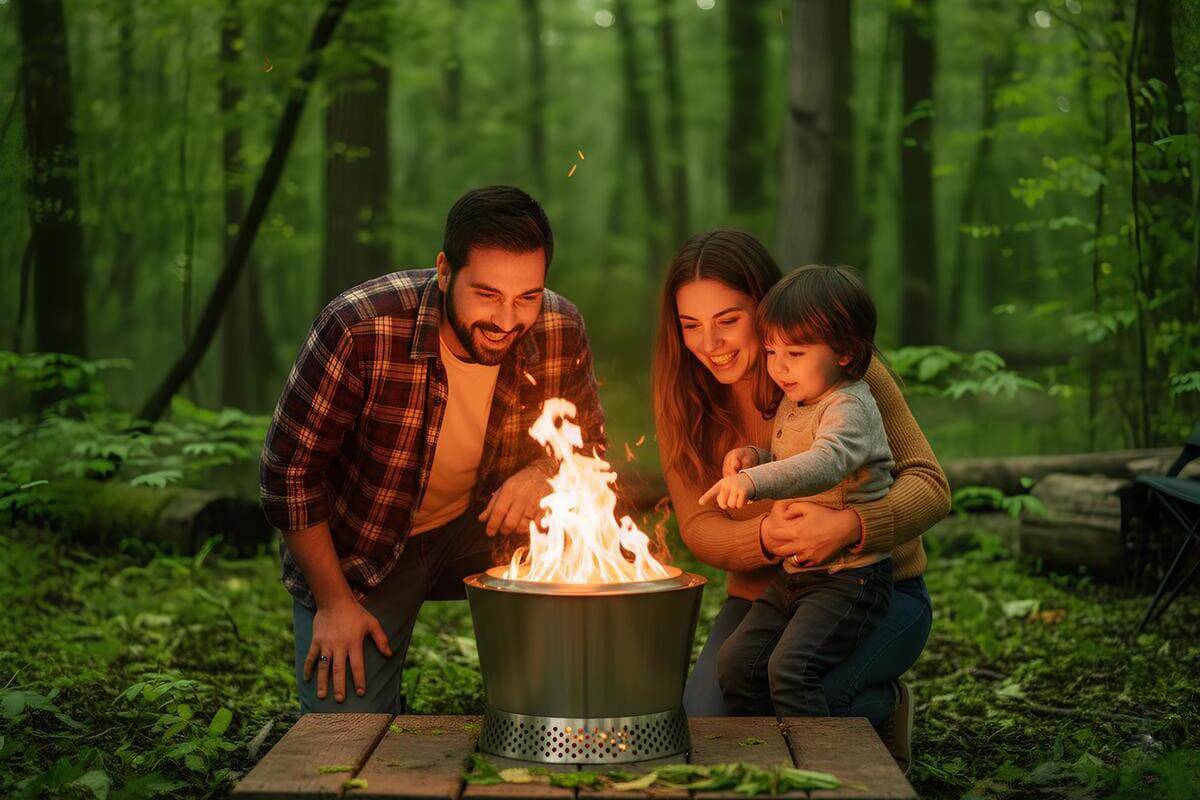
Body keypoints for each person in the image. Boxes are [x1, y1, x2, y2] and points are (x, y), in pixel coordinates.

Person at [260, 185, 604, 714]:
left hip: (486, 528)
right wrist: (332, 602)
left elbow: (590, 446)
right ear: (444, 272)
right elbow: (287, 474)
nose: (507, 319)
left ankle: (550, 693)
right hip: (366, 546)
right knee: (344, 734)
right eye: (487, 294)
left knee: (585, 547)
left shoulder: (560, 327)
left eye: (527, 297)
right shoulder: (360, 327)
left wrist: (544, 472)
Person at [651, 229, 950, 772]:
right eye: (690, 325)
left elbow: (930, 485)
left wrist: (852, 526)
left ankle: (880, 708)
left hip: (871, 586)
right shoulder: (682, 391)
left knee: (805, 697)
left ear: (764, 309)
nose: (709, 343)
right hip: (771, 595)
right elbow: (698, 527)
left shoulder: (838, 367)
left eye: (728, 320)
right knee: (712, 721)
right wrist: (766, 537)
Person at [700, 265, 895, 719]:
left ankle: (816, 755)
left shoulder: (849, 405)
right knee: (737, 664)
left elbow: (827, 463)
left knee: (791, 669)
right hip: (795, 574)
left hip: (850, 579)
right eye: (772, 351)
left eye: (796, 353)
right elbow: (794, 458)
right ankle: (765, 749)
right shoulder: (798, 399)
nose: (779, 366)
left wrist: (754, 482)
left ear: (845, 352)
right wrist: (756, 458)